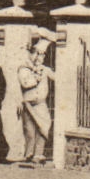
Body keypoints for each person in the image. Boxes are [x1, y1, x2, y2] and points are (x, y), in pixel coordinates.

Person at [17, 34, 54, 165]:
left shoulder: (45, 69)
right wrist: (36, 75)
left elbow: (56, 77)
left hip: (40, 103)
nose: (41, 58)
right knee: (30, 130)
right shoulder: (24, 68)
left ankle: (39, 153)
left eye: (43, 55)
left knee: (44, 125)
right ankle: (29, 153)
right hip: (28, 103)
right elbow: (26, 83)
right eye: (39, 55)